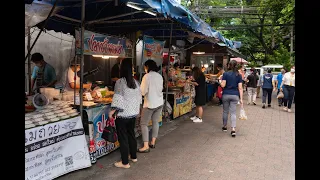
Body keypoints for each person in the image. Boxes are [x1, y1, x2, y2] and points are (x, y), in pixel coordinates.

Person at [108, 58, 142, 169]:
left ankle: (125, 163)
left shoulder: (120, 82)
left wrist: (112, 112)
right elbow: (139, 99)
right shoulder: (136, 82)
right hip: (133, 114)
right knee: (131, 135)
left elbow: (118, 99)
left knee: (123, 138)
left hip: (123, 116)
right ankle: (134, 156)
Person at [138, 60, 164, 153]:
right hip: (159, 103)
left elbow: (142, 91)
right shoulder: (159, 76)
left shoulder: (147, 76)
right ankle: (152, 142)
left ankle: (145, 146)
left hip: (150, 104)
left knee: (144, 124)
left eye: (145, 67)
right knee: (155, 122)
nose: (145, 69)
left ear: (148, 67)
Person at [220, 60, 243, 137]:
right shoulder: (239, 75)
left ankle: (225, 126)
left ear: (229, 65)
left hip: (226, 94)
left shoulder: (225, 74)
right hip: (235, 95)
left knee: (225, 111)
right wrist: (241, 99)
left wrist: (220, 81)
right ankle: (233, 129)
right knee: (233, 112)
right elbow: (240, 88)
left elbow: (223, 85)